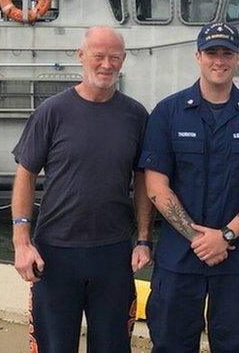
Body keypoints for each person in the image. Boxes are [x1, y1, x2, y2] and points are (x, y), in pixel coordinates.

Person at [141, 22, 239, 353]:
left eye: (227, 53)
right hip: (180, 258)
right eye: (211, 52)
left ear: (238, 59)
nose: (218, 60)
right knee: (170, 344)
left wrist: (224, 236)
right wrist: (199, 239)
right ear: (198, 56)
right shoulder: (168, 113)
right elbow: (155, 186)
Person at [11, 26, 154, 353]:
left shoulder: (135, 115)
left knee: (113, 346)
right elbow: (25, 174)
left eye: (114, 58)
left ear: (123, 60)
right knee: (54, 346)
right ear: (81, 57)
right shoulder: (52, 111)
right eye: (98, 56)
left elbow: (143, 180)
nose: (106, 65)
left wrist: (144, 239)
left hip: (114, 252)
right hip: (55, 252)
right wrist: (22, 241)